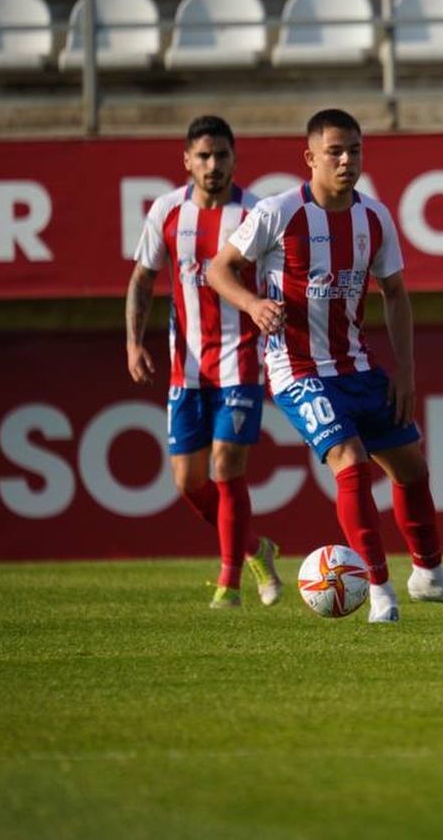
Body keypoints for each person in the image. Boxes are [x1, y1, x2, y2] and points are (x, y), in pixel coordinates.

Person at [206, 109, 443, 625]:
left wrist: (405, 370)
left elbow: (397, 293)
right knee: (352, 463)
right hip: (296, 369)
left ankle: (429, 573)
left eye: (354, 150)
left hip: (358, 365)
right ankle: (379, 590)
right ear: (310, 157)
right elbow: (218, 268)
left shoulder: (375, 217)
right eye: (335, 151)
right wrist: (251, 304)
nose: (346, 160)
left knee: (412, 468)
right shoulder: (278, 212)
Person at [126, 116, 283, 610]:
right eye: (204, 156)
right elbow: (141, 279)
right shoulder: (167, 211)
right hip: (186, 366)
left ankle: (229, 583)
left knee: (225, 464)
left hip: (241, 361)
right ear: (187, 160)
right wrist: (133, 343)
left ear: (235, 158)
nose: (213, 165)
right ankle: (255, 548)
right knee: (186, 481)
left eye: (222, 156)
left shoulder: (257, 212)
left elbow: (279, 284)